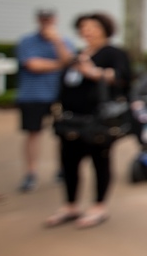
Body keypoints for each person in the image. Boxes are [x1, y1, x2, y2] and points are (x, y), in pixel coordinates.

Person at [45, 12, 131, 230]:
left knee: (99, 161)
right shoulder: (79, 53)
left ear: (104, 28)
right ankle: (70, 204)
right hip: (71, 119)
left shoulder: (113, 53)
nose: (87, 30)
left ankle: (99, 205)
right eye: (83, 26)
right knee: (68, 162)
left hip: (98, 120)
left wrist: (92, 72)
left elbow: (121, 77)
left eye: (92, 26)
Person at [15, 8, 73, 192]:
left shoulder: (64, 42)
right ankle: (31, 173)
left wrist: (57, 42)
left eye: (49, 19)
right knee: (33, 133)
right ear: (38, 20)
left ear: (55, 20)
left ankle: (63, 169)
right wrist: (58, 65)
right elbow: (33, 65)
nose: (46, 22)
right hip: (32, 95)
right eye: (43, 19)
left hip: (59, 95)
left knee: (63, 134)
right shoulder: (27, 41)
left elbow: (70, 61)